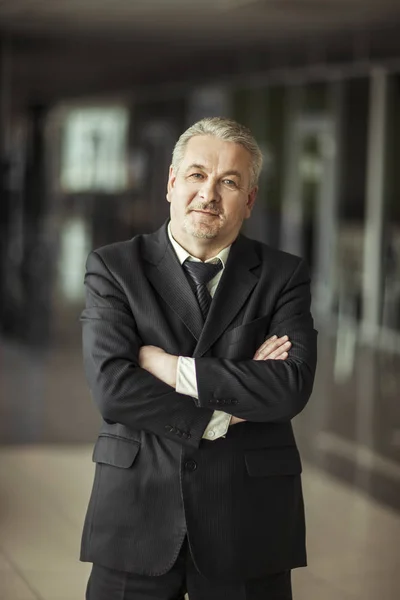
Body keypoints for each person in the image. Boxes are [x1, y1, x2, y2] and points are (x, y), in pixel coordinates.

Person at [80, 117, 318, 600]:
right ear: (171, 183)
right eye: (196, 175)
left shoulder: (282, 275)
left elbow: (289, 386)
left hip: (247, 520)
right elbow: (114, 389)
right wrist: (221, 410)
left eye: (229, 182)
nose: (209, 193)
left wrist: (172, 368)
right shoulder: (114, 268)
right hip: (136, 514)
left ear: (248, 200)